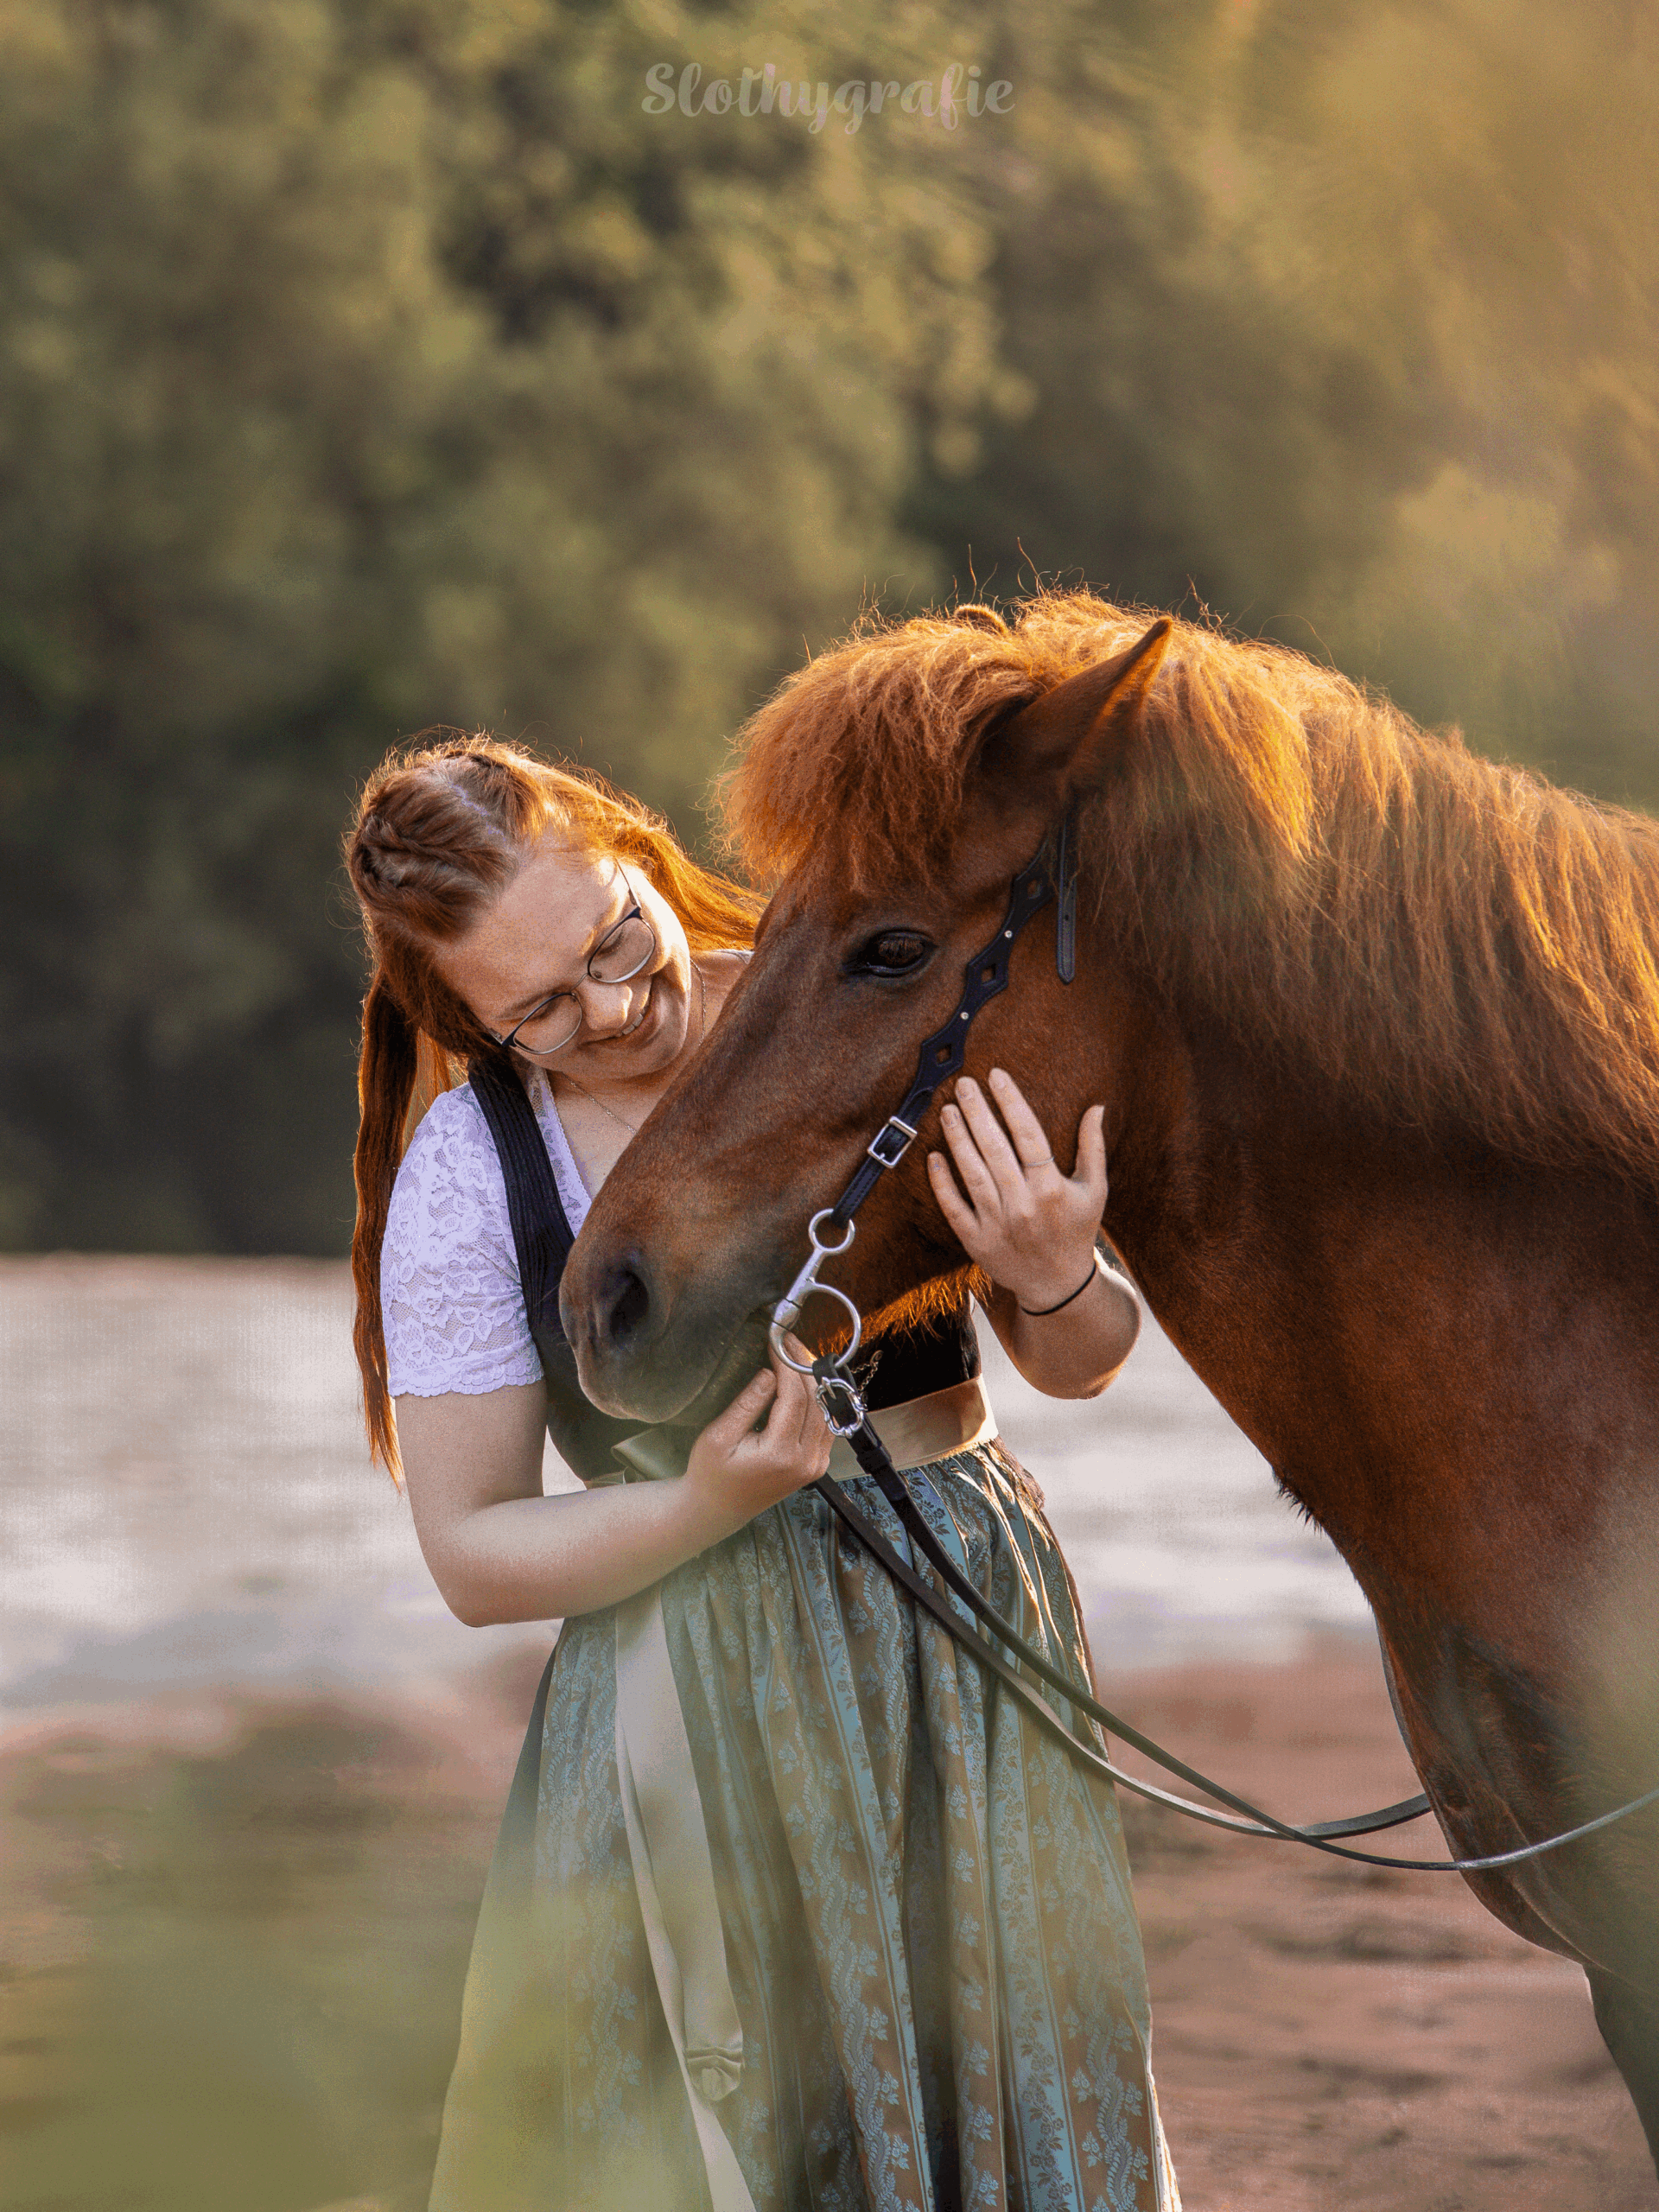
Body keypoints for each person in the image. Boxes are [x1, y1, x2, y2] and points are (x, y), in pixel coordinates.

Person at [345, 733, 1182, 2212]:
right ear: (466, 1020)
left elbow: (1080, 1360)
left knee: (1022, 2070)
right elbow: (471, 1558)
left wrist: (1055, 1275)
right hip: (690, 1685)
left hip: (968, 1631)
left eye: (615, 935)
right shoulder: (475, 1172)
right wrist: (699, 1506)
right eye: (539, 1007)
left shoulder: (863, 999)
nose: (614, 1006)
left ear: (632, 843)